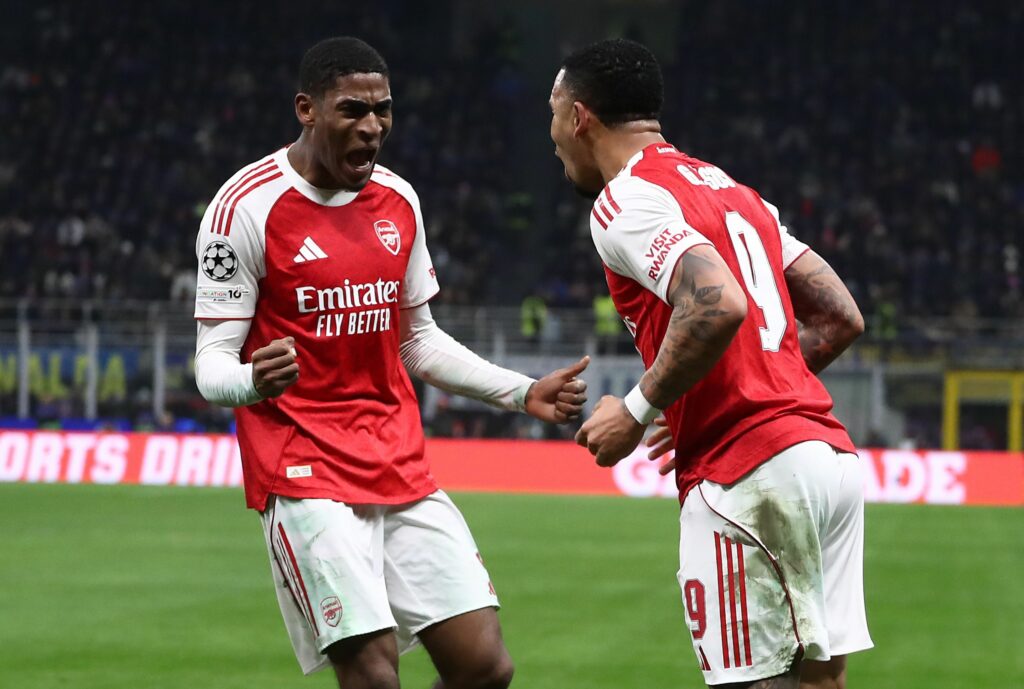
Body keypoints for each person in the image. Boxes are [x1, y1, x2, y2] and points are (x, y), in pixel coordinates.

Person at [193, 37, 589, 689]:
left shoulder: (398, 201)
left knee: (485, 667)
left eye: (383, 111)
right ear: (307, 109)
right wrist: (251, 380)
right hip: (304, 466)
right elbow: (211, 364)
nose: (373, 127)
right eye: (352, 110)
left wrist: (523, 393)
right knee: (374, 671)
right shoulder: (245, 208)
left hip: (396, 457)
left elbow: (417, 340)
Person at [550, 39, 871, 688]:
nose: (551, 134)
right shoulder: (735, 191)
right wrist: (728, 384)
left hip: (746, 477)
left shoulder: (625, 202)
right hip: (828, 461)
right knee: (819, 681)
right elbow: (841, 317)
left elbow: (717, 302)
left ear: (580, 117)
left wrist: (637, 409)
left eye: (553, 113)